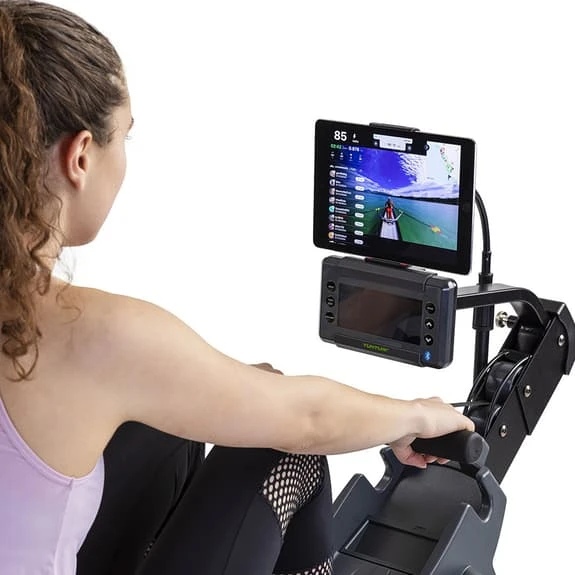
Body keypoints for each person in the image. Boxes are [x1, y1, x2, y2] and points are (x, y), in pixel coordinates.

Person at [0, 2, 474, 574]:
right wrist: (416, 417)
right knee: (279, 451)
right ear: (80, 156)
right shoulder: (87, 334)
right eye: (124, 136)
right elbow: (308, 421)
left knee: (166, 427)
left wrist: (231, 389)